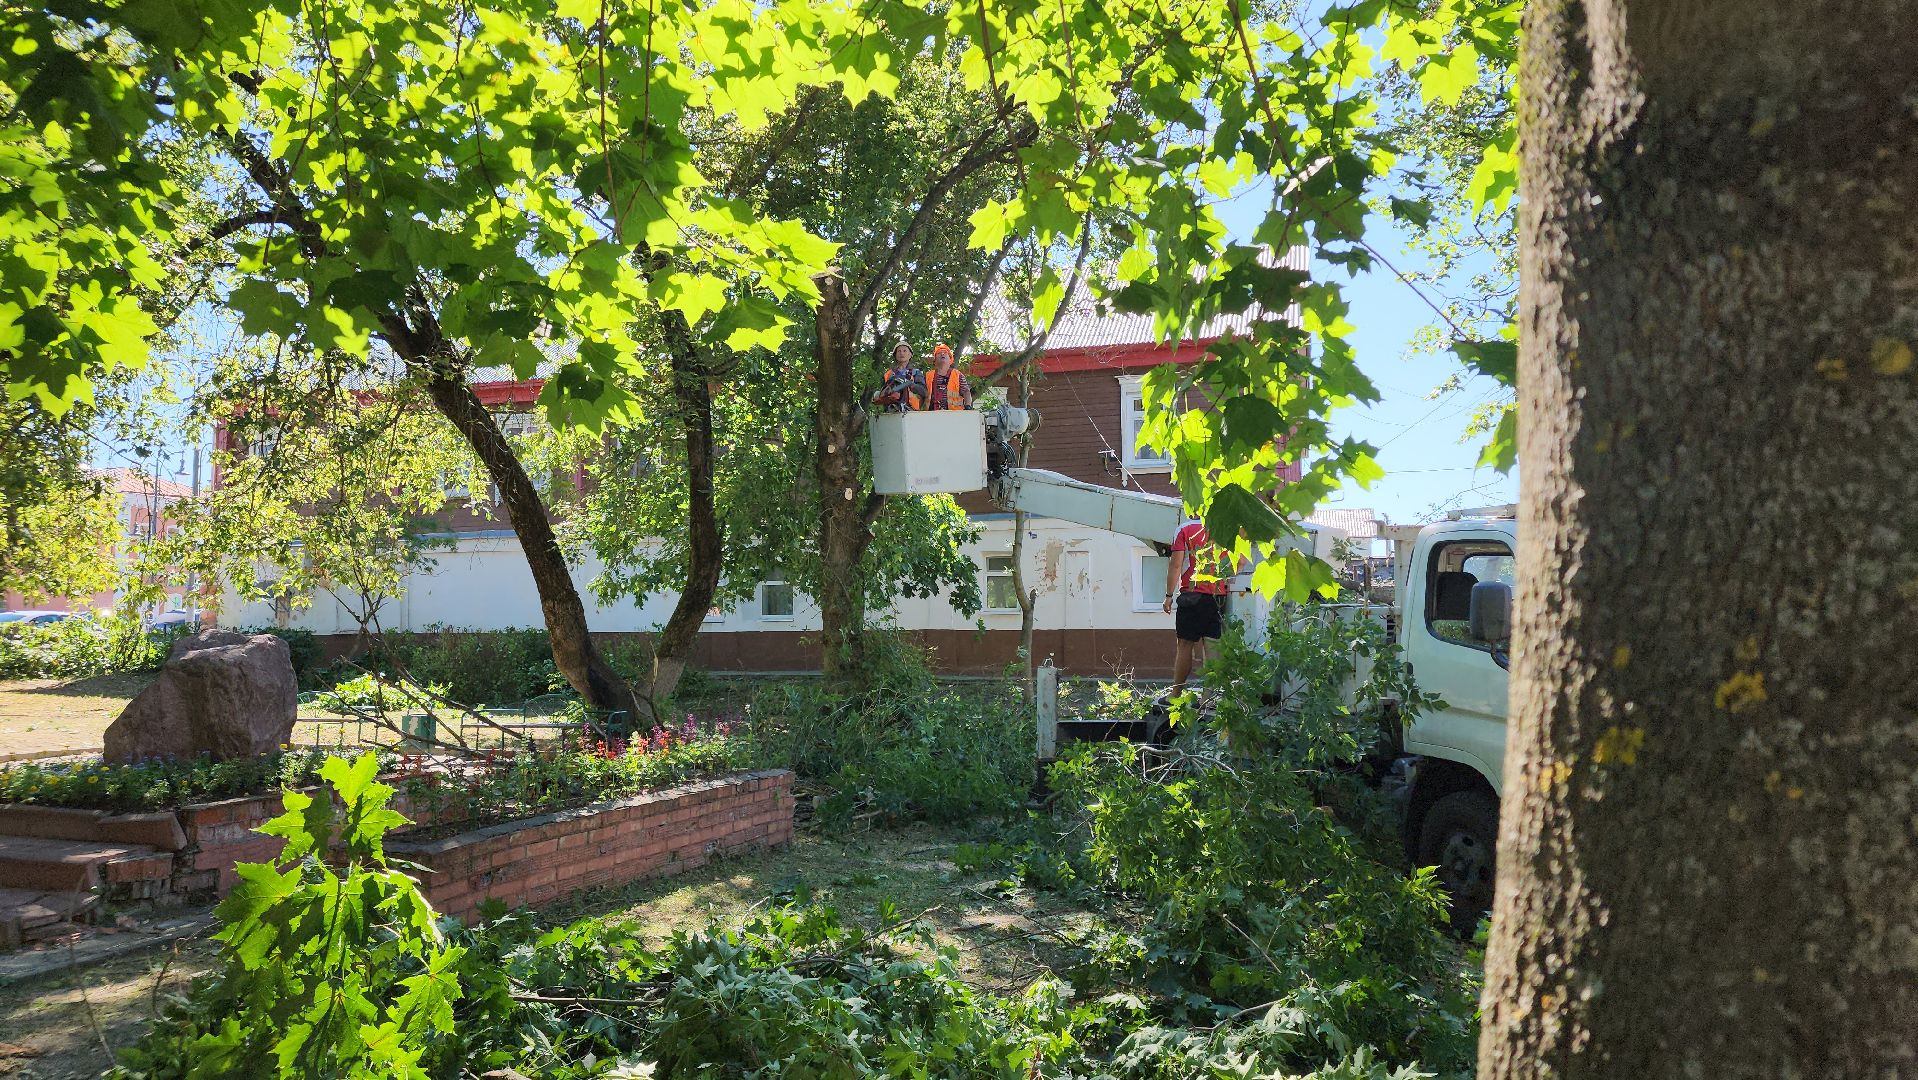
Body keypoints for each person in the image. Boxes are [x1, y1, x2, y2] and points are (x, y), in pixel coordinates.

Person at [1161, 518, 1234, 695]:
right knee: (1213, 646)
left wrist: (1169, 596)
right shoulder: (1226, 526)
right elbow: (1240, 562)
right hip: (1218, 596)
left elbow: (1176, 564)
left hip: (1192, 596)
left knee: (1185, 645)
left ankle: (1176, 695)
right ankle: (1207, 698)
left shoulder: (1185, 528)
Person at [918, 343, 972, 410]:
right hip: (931, 415)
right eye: (939, 353)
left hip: (954, 414)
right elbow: (921, 395)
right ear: (935, 360)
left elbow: (966, 392)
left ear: (950, 360)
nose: (942, 354)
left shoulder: (958, 375)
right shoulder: (927, 376)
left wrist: (968, 406)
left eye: (945, 353)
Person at [872, 342, 923, 411]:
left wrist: (910, 384)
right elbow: (881, 394)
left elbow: (924, 392)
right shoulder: (888, 374)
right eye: (899, 351)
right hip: (891, 410)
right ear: (895, 355)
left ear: (910, 354)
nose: (902, 353)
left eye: (904, 351)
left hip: (912, 410)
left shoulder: (916, 373)